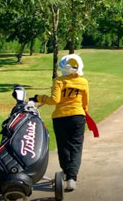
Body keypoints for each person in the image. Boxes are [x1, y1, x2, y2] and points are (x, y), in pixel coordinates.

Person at [32, 54, 89, 192]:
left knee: (63, 146)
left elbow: (54, 100)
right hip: (78, 116)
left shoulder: (59, 81)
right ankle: (71, 178)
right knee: (75, 147)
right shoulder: (83, 82)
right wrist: (84, 113)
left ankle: (65, 171)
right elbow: (85, 102)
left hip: (60, 117)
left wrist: (39, 98)